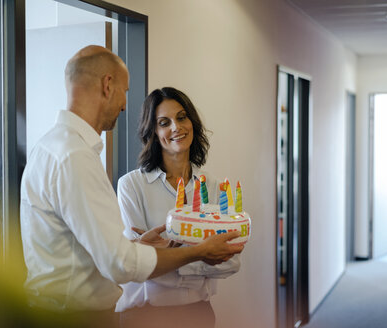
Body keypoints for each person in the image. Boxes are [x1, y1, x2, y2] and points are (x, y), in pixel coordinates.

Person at [20, 45, 243, 328]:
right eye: (125, 92)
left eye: (182, 117)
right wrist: (199, 252)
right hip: (77, 317)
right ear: (108, 85)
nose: (124, 105)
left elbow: (99, 250)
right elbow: (121, 264)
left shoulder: (56, 148)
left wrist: (137, 245)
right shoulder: (74, 157)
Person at [116, 87, 241, 328]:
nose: (176, 127)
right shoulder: (131, 186)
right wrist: (203, 253)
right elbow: (138, 266)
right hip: (144, 317)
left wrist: (166, 257)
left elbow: (231, 263)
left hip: (198, 314)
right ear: (153, 131)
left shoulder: (213, 186)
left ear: (192, 121)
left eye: (182, 117)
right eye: (164, 122)